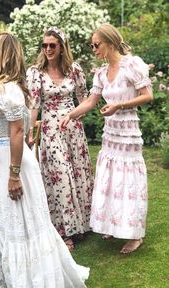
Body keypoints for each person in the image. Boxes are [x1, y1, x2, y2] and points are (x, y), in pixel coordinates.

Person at [0, 31, 90, 288]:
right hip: (7, 161)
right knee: (19, 223)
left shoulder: (7, 90)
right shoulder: (5, 87)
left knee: (27, 223)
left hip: (14, 164)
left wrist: (14, 174)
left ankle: (36, 279)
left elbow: (17, 132)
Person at [60, 23, 153, 254]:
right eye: (92, 45)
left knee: (129, 181)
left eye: (96, 44)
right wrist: (70, 115)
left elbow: (147, 96)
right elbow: (91, 101)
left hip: (128, 133)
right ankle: (112, 223)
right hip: (110, 134)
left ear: (110, 43)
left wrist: (119, 105)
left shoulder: (132, 65)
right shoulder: (101, 73)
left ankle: (135, 234)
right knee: (111, 179)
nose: (93, 49)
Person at [26, 27, 93, 251]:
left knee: (78, 173)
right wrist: (28, 133)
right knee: (60, 176)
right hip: (51, 130)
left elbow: (84, 99)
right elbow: (34, 106)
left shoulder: (75, 70)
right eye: (44, 45)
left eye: (52, 45)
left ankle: (83, 224)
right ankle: (64, 231)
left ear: (62, 47)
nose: (47, 49)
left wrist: (77, 115)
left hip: (73, 130)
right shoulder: (36, 72)